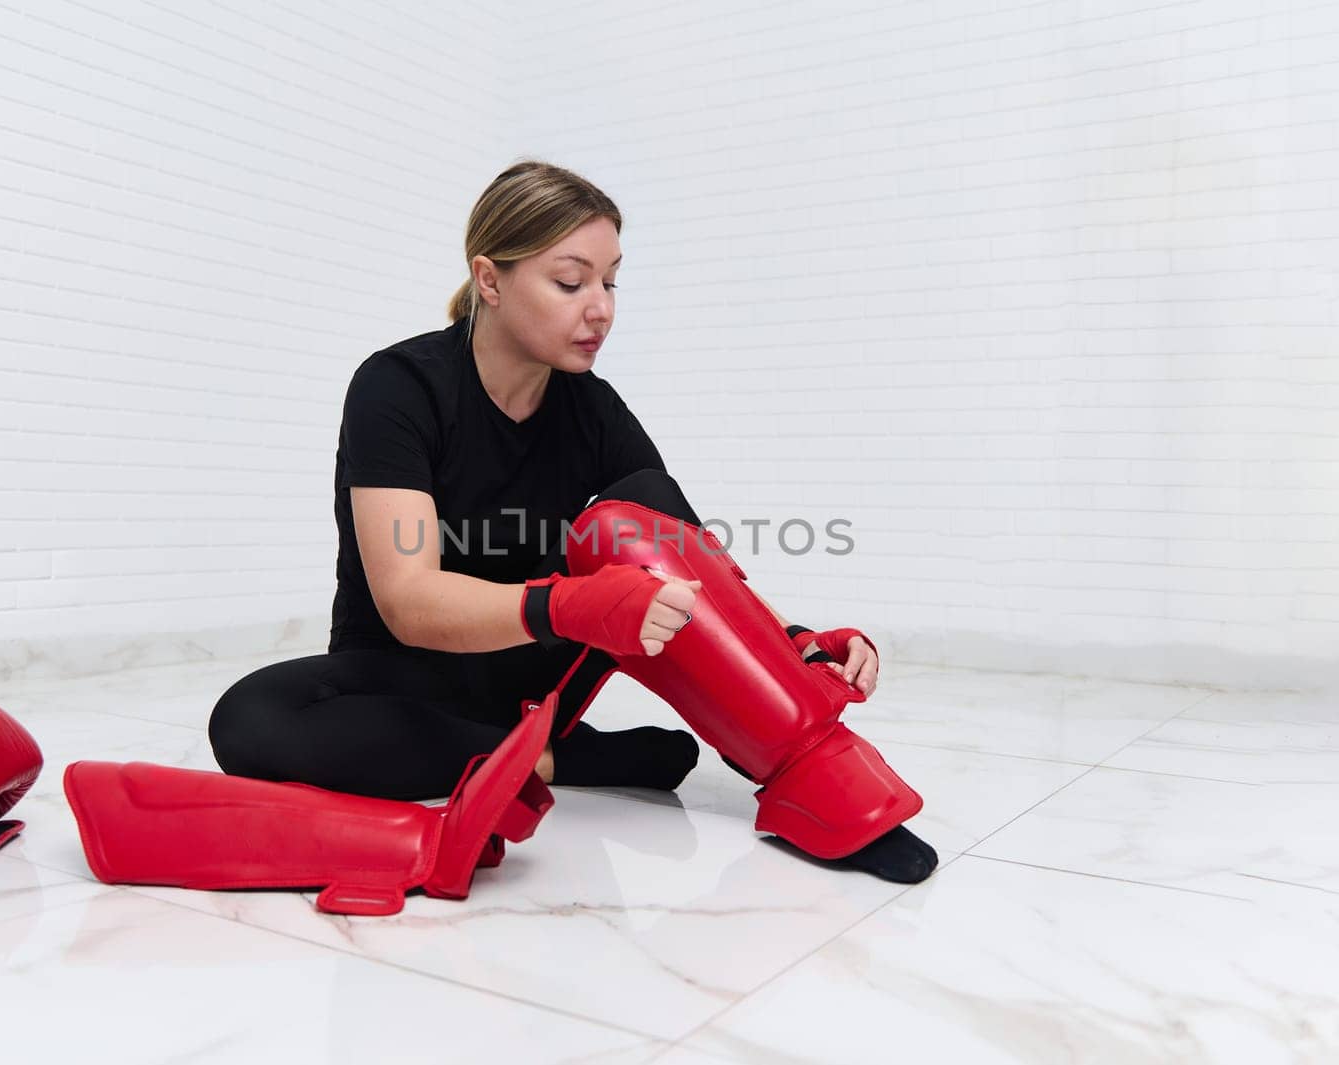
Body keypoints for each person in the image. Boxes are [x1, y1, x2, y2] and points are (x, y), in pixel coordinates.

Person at [208, 160, 935, 883]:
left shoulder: (592, 408)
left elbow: (695, 565)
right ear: (489, 280)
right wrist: (569, 604)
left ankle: (809, 772)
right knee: (250, 719)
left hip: (533, 671)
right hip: (405, 676)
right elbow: (407, 600)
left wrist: (795, 642)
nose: (601, 308)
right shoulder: (398, 387)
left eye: (611, 280)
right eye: (570, 281)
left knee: (638, 512)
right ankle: (565, 756)